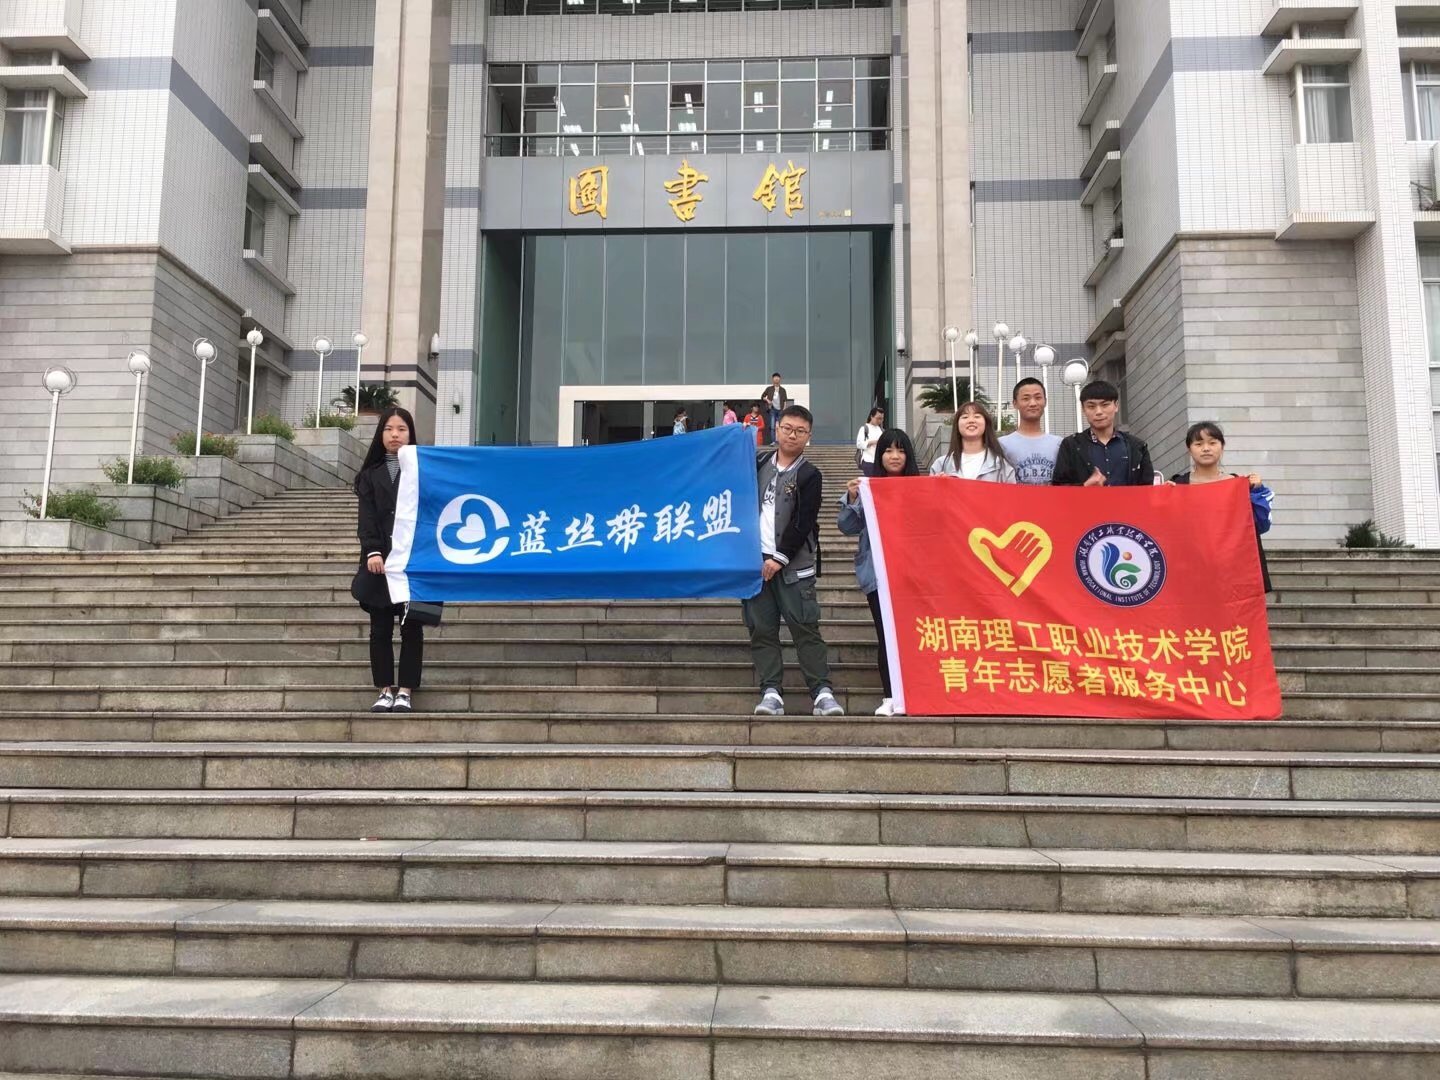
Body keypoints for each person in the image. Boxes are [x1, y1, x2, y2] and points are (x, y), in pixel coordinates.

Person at [744, 404, 844, 717]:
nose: (792, 435)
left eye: (800, 431)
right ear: (777, 428)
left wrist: (780, 557)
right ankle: (771, 691)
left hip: (794, 567)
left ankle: (822, 692)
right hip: (756, 566)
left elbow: (804, 521)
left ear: (808, 436)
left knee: (805, 628)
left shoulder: (810, 474)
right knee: (761, 629)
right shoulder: (759, 463)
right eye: (787, 428)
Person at [838, 428, 919, 716]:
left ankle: (916, 694)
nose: (894, 456)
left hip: (915, 577)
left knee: (914, 636)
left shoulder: (921, 488)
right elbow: (847, 527)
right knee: (887, 636)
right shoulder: (869, 488)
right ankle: (890, 696)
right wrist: (852, 498)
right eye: (888, 450)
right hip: (879, 576)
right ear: (879, 455)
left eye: (901, 450)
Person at [353, 406, 424, 713]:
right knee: (380, 629)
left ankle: (405, 690)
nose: (395, 435)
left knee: (412, 628)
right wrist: (372, 550)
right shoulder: (370, 475)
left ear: (410, 434)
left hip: (413, 563)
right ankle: (384, 689)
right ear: (380, 434)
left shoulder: (423, 471)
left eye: (402, 429)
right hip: (379, 563)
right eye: (389, 429)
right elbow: (366, 516)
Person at [1171, 420, 1275, 592]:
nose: (1206, 448)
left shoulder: (1239, 485)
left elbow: (1261, 524)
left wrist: (1257, 491)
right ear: (1189, 449)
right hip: (1192, 569)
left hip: (1233, 570)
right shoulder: (1177, 486)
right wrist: (1163, 498)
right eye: (1199, 444)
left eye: (1212, 443)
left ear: (1222, 447)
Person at [1051, 380, 1156, 487]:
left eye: (1105, 405)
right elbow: (1058, 488)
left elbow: (1147, 489)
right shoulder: (1070, 445)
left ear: (1116, 406)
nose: (1099, 412)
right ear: (1083, 409)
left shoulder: (1137, 446)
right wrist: (1085, 487)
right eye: (1091, 406)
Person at [929, 401, 1017, 483]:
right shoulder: (941, 465)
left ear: (986, 423)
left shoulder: (1001, 466)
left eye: (977, 416)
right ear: (957, 425)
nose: (971, 420)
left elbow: (1011, 494)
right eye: (965, 417)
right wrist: (937, 485)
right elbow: (930, 493)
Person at [999, 378, 1063, 485]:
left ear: (1045, 401)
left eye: (1038, 398)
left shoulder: (1059, 443)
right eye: (1026, 398)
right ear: (1015, 403)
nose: (1033, 403)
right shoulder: (1002, 444)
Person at [855, 406, 885, 477]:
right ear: (871, 416)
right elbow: (859, 444)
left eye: (882, 419)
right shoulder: (864, 428)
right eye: (878, 418)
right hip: (868, 460)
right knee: (871, 480)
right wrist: (873, 442)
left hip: (879, 461)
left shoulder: (881, 430)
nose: (880, 421)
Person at [761, 373, 789, 444]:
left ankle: (780, 441)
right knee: (772, 426)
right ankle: (773, 441)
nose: (776, 378)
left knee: (781, 426)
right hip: (772, 409)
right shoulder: (769, 389)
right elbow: (762, 397)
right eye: (775, 377)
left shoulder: (782, 390)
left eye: (777, 377)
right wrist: (767, 400)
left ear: (780, 379)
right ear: (772, 379)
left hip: (780, 410)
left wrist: (784, 409)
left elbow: (785, 401)